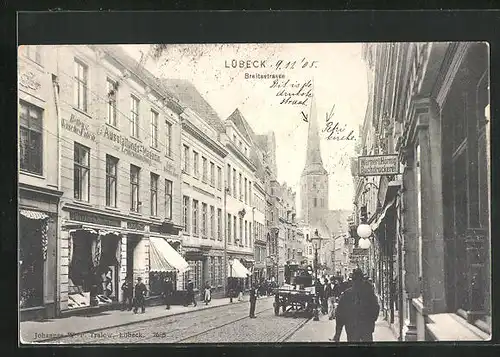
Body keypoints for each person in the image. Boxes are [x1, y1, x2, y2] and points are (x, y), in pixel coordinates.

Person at [331, 269, 380, 342]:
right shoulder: (369, 293)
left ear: (352, 280)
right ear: (362, 279)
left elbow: (339, 314)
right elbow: (376, 308)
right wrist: (371, 322)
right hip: (366, 328)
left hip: (351, 329)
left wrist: (337, 334)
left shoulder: (347, 294)